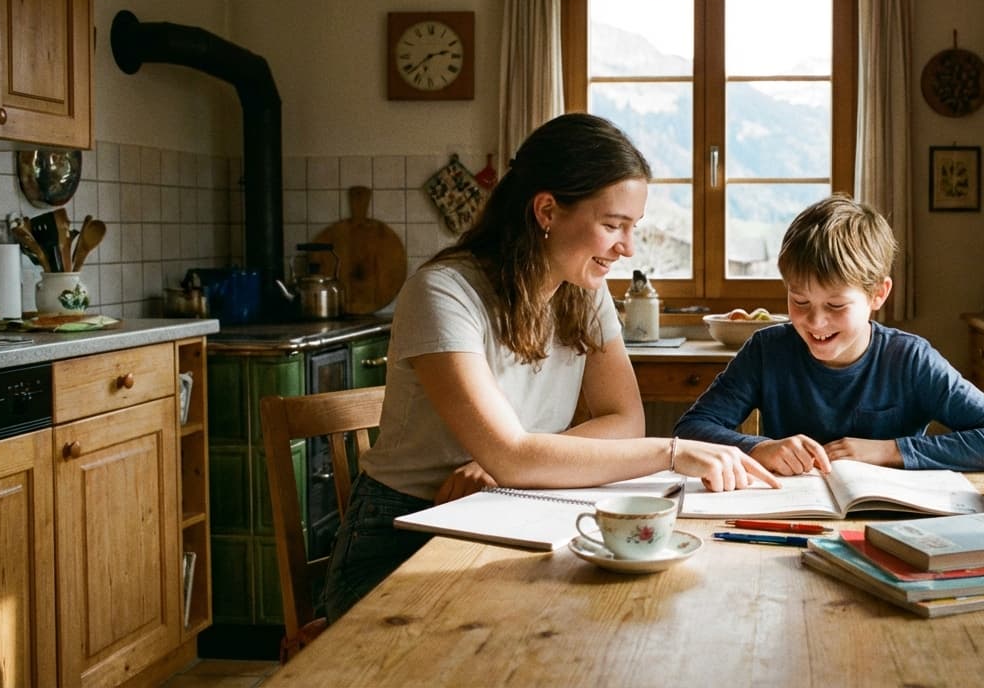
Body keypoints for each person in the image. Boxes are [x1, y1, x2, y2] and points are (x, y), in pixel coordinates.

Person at [324, 113, 777, 621]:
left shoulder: (586, 291)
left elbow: (622, 420)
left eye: (632, 228)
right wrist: (670, 453)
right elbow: (515, 453)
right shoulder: (444, 292)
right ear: (546, 210)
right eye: (612, 225)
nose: (627, 247)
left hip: (515, 507)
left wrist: (516, 468)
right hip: (404, 529)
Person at [673, 194, 984, 476]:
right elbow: (689, 430)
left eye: (836, 305)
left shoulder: (910, 360)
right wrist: (758, 447)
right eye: (799, 300)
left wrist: (889, 450)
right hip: (793, 513)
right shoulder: (767, 351)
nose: (815, 321)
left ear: (878, 294)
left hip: (888, 522)